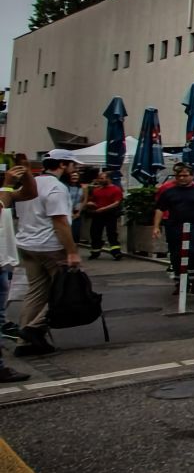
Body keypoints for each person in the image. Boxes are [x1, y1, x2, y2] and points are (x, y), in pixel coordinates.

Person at [13, 150, 85, 357]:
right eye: (72, 164)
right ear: (62, 164)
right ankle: (33, 329)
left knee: (35, 293)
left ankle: (24, 342)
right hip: (50, 247)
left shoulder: (30, 183)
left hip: (27, 244)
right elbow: (60, 221)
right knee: (66, 292)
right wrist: (72, 251)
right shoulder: (56, 188)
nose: (75, 168)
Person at [0, 162, 40, 379]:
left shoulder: (6, 192)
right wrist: (7, 184)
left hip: (3, 262)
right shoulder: (4, 192)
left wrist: (26, 175)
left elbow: (30, 193)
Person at [153, 163, 194, 295]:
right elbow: (160, 209)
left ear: (192, 176)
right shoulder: (168, 192)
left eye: (185, 175)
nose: (182, 178)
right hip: (174, 226)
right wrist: (156, 226)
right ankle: (180, 282)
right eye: (179, 176)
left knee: (193, 252)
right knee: (176, 254)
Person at [86, 169, 124, 260]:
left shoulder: (116, 189)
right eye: (99, 179)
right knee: (95, 232)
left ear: (109, 179)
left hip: (110, 214)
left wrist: (104, 208)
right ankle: (95, 251)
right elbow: (92, 200)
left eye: (102, 178)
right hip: (98, 214)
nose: (100, 180)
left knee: (111, 233)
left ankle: (116, 252)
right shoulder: (96, 190)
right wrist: (90, 203)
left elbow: (116, 202)